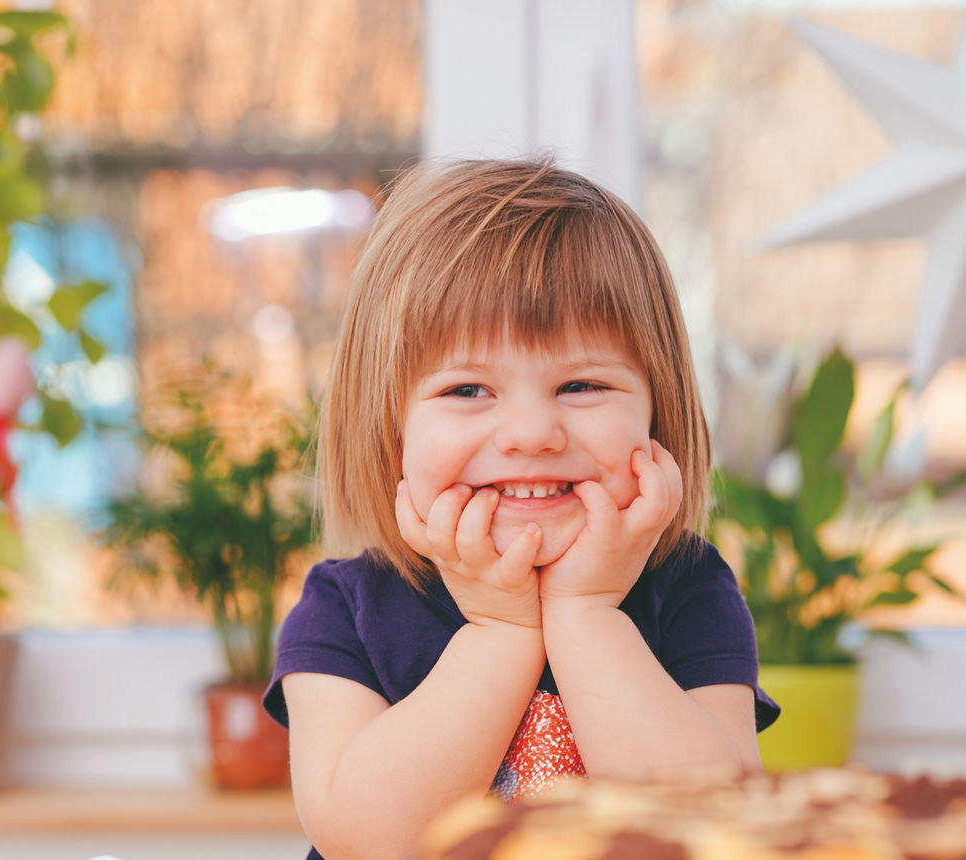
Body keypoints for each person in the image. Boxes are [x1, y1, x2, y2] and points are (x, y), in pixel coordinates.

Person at [261, 157, 780, 860]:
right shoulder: (345, 608)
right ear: (391, 430)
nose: (533, 434)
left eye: (583, 384)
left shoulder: (689, 588)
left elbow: (712, 825)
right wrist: (500, 631)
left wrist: (587, 613)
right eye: (469, 390)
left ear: (658, 415)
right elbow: (367, 838)